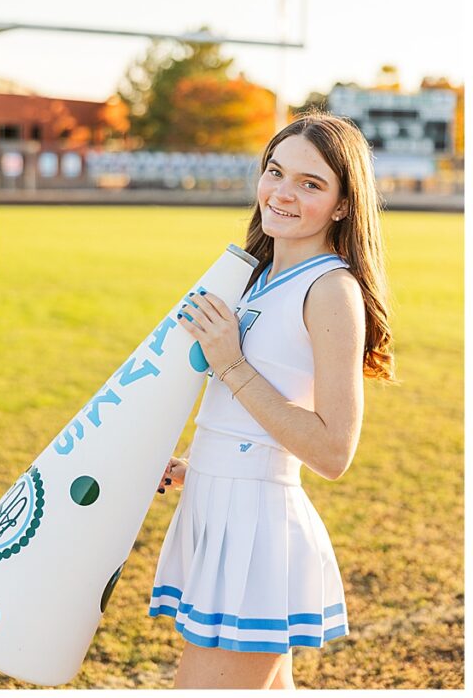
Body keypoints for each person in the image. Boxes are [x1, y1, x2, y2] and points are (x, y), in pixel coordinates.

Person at [148, 113, 394, 688]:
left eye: (310, 183)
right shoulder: (254, 277)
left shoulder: (331, 290)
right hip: (218, 509)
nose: (282, 193)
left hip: (256, 532)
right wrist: (196, 465)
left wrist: (230, 362)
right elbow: (255, 417)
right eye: (275, 172)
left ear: (341, 205)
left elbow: (334, 451)